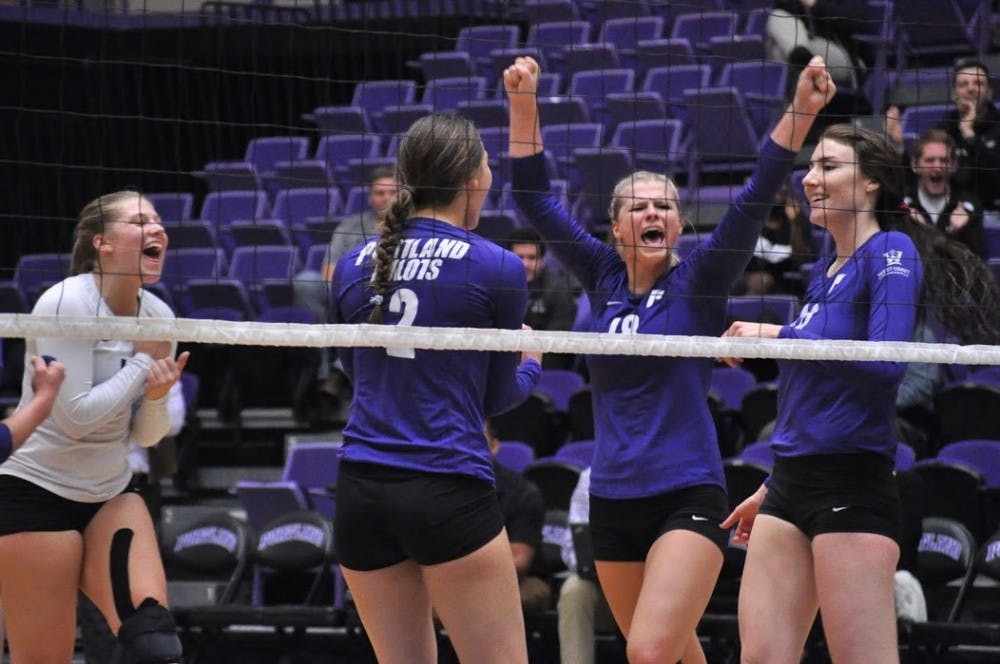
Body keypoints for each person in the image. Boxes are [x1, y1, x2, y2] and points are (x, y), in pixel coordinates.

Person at [506, 55, 834, 663]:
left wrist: (802, 111)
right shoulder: (602, 278)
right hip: (612, 499)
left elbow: (757, 191)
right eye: (638, 207)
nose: (653, 213)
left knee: (650, 652)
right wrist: (523, 104)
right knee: (671, 650)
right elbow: (532, 197)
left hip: (688, 491)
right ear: (615, 229)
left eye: (664, 206)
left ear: (680, 224)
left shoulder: (701, 279)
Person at [721, 123, 1000, 662]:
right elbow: (813, 395)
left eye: (829, 166)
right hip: (788, 484)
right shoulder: (825, 269)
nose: (810, 179)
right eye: (811, 167)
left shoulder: (890, 250)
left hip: (851, 482)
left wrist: (782, 336)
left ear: (871, 181)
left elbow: (885, 365)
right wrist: (776, 482)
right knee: (761, 657)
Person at [328, 113, 543, 664]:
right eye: (489, 164)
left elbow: (362, 377)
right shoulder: (498, 266)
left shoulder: (354, 263)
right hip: (445, 485)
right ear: (474, 177)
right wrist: (533, 361)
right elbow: (495, 402)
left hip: (361, 490)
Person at [0, 191, 190, 662]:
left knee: (156, 644)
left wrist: (156, 395)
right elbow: (77, 418)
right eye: (139, 221)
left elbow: (146, 436)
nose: (157, 230)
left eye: (159, 221)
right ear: (102, 243)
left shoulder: (159, 316)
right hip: (35, 494)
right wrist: (140, 366)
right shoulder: (66, 303)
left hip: (110, 493)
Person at [292, 167, 398, 418]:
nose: (386, 198)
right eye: (380, 193)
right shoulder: (351, 226)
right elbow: (329, 271)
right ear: (370, 196)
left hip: (389, 297)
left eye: (392, 192)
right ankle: (323, 368)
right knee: (306, 281)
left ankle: (341, 371)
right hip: (348, 292)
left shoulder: (412, 225)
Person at [484, 417, 552, 617]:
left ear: (494, 446)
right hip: (451, 577)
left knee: (474, 605)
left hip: (520, 579)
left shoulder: (522, 492)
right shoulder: (440, 490)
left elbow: (519, 563)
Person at [557, 466, 617, 664]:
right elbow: (570, 544)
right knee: (574, 590)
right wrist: (589, 564)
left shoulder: (669, 472)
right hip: (605, 582)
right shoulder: (591, 476)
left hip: (653, 582)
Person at [904, 128, 988, 258]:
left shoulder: (970, 206)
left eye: (944, 160)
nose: (937, 167)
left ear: (954, 165)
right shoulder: (901, 206)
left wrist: (955, 234)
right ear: (915, 165)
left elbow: (978, 265)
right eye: (930, 160)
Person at [506, 227, 581, 370]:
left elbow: (558, 341)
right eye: (519, 257)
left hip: (545, 369)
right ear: (508, 258)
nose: (526, 264)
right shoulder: (496, 287)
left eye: (532, 258)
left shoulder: (557, 289)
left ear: (542, 260)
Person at [937, 58, 1000, 224]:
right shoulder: (942, 131)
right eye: (963, 84)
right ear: (954, 93)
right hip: (951, 210)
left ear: (989, 92)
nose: (971, 89)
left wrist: (969, 135)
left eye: (978, 83)